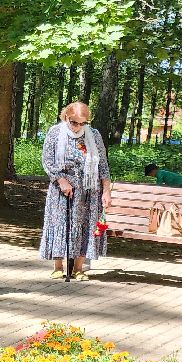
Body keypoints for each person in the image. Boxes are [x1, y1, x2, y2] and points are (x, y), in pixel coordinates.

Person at [39, 102, 112, 279]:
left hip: (88, 188)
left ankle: (78, 268)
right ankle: (58, 266)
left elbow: (102, 165)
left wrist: (106, 190)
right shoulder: (55, 133)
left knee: (85, 225)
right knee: (60, 223)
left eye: (83, 123)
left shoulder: (93, 135)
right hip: (62, 187)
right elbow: (47, 161)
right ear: (66, 117)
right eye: (74, 122)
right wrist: (61, 180)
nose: (78, 126)